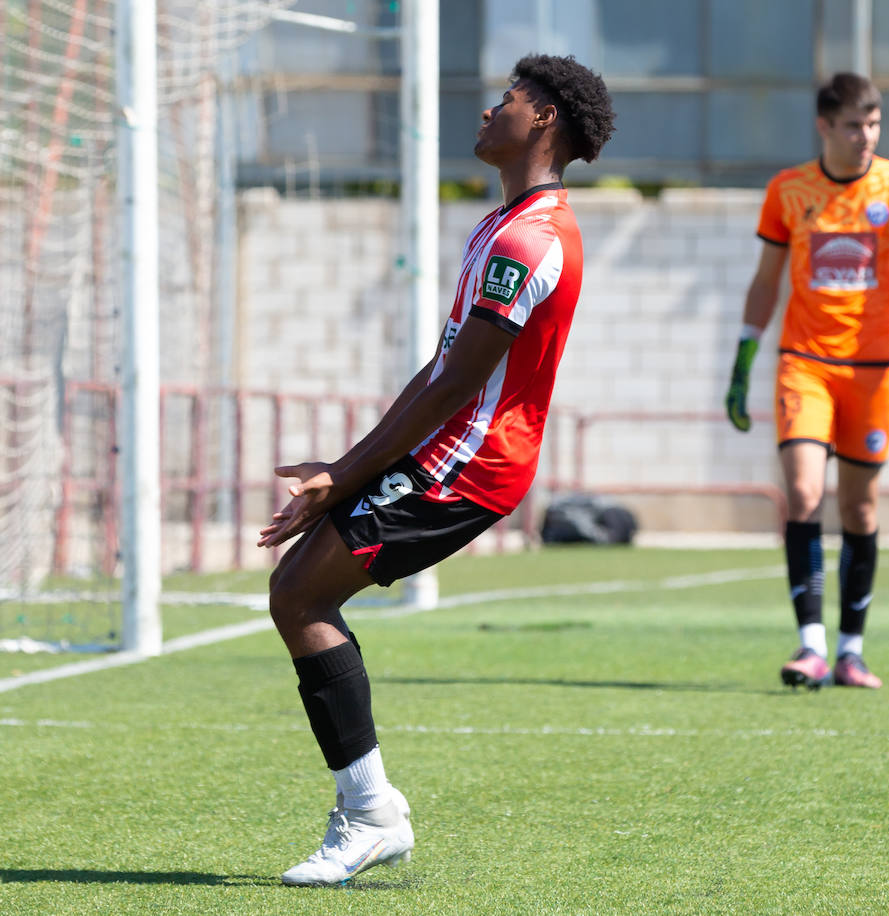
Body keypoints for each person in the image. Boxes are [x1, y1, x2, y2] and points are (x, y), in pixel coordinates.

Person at [257, 54, 614, 886]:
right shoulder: (505, 224)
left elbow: (457, 384)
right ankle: (370, 809)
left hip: (472, 461)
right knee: (298, 593)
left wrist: (343, 475)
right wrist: (344, 472)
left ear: (546, 120)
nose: (489, 112)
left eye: (508, 101)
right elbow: (445, 367)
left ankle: (373, 814)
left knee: (301, 595)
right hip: (456, 448)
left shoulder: (531, 238)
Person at [724, 72, 889, 691]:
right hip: (804, 362)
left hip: (877, 369)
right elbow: (766, 279)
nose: (866, 137)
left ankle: (853, 651)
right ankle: (810, 647)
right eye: (854, 125)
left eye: (874, 125)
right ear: (824, 125)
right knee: (803, 493)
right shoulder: (788, 190)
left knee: (859, 506)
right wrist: (745, 357)